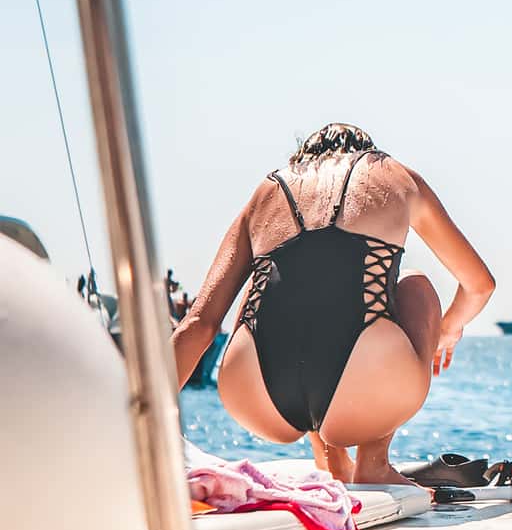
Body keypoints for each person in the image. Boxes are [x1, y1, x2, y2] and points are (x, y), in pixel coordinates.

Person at [172, 123, 495, 485]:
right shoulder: (397, 176)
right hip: (365, 392)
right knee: (415, 285)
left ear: (302, 158)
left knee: (274, 288)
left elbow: (198, 325)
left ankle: (332, 458)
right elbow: (479, 285)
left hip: (256, 397)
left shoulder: (267, 191)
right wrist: (448, 330)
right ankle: (374, 462)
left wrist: (129, 419)